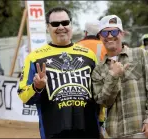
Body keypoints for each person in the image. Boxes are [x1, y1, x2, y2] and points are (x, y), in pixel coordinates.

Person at [18, 7, 103, 139]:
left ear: (71, 24)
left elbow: (98, 94)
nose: (61, 27)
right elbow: (23, 95)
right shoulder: (35, 57)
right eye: (55, 24)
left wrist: (101, 123)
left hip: (88, 128)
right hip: (54, 131)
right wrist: (37, 87)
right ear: (47, 27)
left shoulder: (89, 56)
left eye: (65, 22)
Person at [91, 15, 148, 138]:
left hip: (145, 131)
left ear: (122, 34)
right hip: (116, 134)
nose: (109, 36)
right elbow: (103, 102)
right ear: (100, 36)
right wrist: (113, 76)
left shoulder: (141, 55)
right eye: (105, 32)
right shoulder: (98, 70)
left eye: (114, 31)